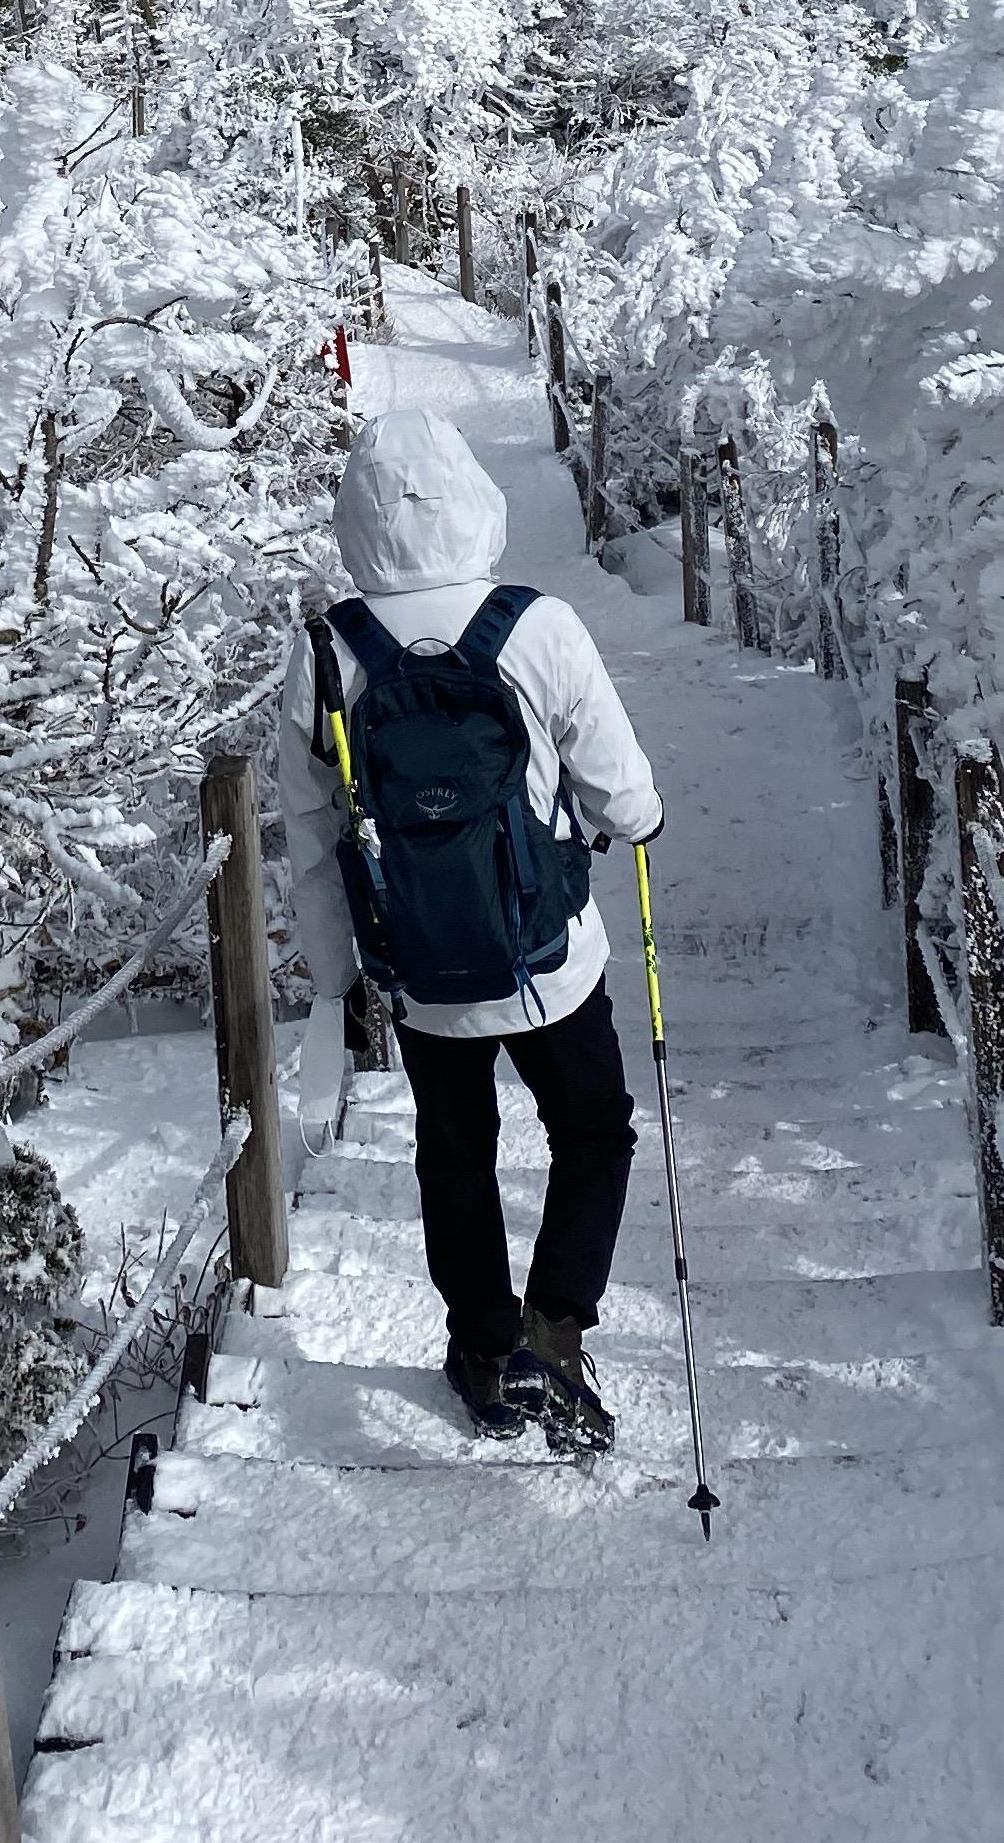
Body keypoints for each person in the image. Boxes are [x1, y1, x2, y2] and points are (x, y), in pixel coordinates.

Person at [279, 402, 662, 1449]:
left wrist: (336, 978)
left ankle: (484, 1353)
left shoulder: (326, 655)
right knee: (593, 1129)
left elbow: (309, 835)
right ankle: (555, 1330)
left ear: (353, 523)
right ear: (474, 502)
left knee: (458, 1154)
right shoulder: (536, 625)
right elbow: (620, 790)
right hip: (550, 962)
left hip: (419, 970)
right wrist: (637, 820)